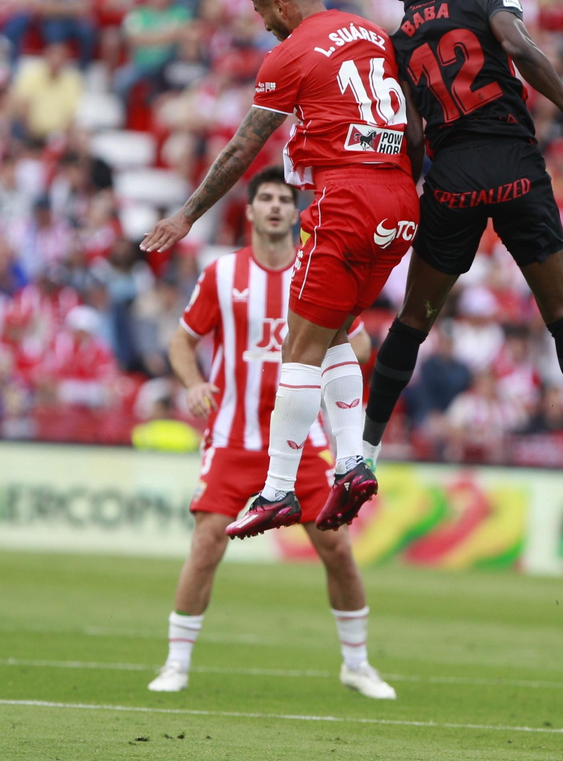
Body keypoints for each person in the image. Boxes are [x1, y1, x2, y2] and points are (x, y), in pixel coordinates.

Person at [141, 0, 422, 539]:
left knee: (299, 347)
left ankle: (277, 491)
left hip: (344, 199)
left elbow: (243, 148)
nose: (265, 25)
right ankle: (351, 463)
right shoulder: (373, 33)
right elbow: (415, 124)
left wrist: (188, 214)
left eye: (264, 12)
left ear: (282, 4)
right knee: (338, 330)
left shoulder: (289, 53)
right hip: (399, 200)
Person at [360, 0, 563, 488]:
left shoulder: (395, 45)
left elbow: (412, 131)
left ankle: (363, 453)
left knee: (414, 319)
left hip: (452, 181)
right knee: (562, 312)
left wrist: (413, 189)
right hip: (515, 168)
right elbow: (519, 48)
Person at [148, 168, 394, 700]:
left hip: (304, 443)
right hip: (234, 438)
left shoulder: (321, 270)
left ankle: (357, 663)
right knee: (207, 542)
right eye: (266, 198)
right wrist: (192, 385)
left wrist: (313, 367)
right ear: (253, 211)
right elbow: (180, 342)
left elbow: (364, 347)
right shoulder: (221, 274)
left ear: (296, 211)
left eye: (285, 198)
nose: (277, 206)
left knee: (338, 550)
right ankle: (176, 663)